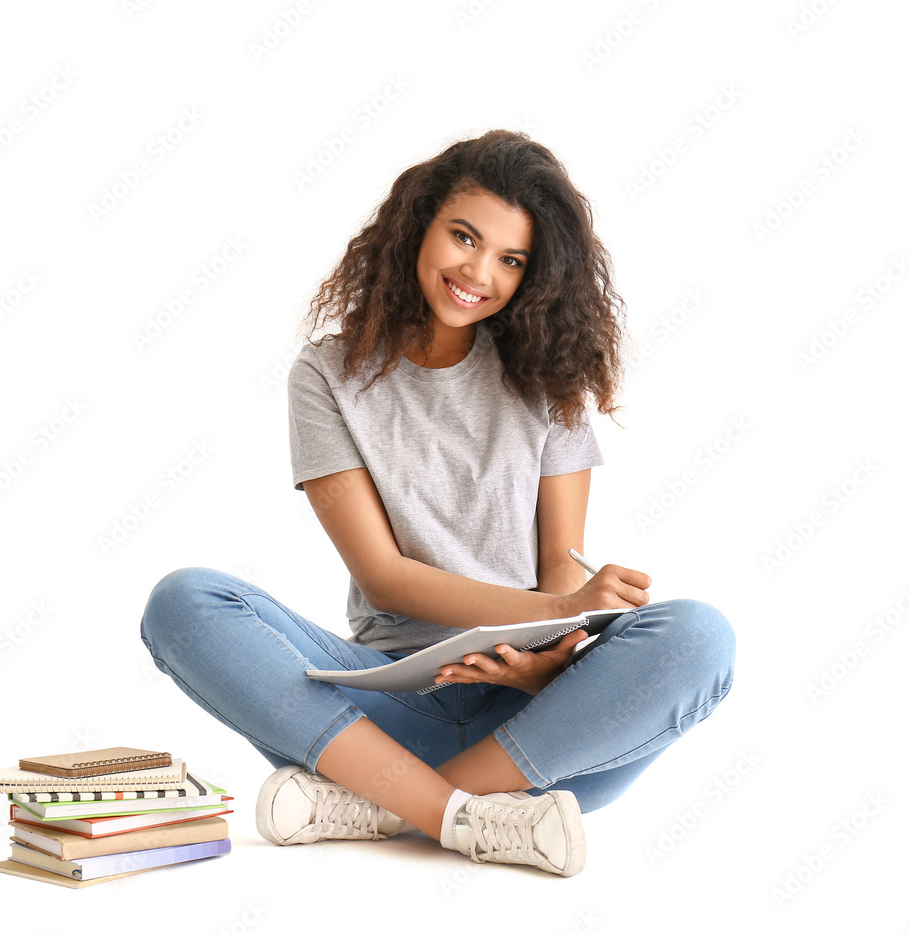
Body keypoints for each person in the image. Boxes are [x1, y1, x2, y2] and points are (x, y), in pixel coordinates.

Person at [139, 129, 736, 877]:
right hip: (374, 713)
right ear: (418, 223)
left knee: (701, 636)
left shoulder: (550, 377)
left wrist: (541, 664)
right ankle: (465, 818)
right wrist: (548, 607)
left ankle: (389, 808)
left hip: (531, 728)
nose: (478, 272)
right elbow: (385, 576)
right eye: (464, 236)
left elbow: (558, 564)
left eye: (510, 260)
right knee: (183, 603)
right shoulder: (328, 374)